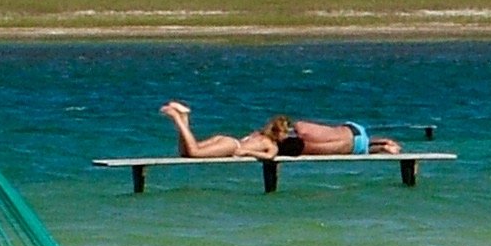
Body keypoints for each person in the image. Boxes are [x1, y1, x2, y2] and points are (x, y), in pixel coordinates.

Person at [159, 102, 402, 159]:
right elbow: (271, 156)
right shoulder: (270, 143)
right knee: (192, 152)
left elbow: (270, 154)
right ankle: (179, 119)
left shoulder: (261, 136)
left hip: (230, 141)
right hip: (232, 146)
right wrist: (246, 154)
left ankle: (185, 119)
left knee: (188, 152)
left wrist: (247, 152)